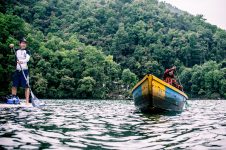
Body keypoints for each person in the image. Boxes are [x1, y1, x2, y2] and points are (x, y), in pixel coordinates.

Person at [9, 38, 31, 104]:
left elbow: (27, 59)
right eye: (22, 43)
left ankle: (27, 102)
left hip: (24, 70)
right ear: (19, 44)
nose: (23, 44)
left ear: (26, 44)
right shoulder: (16, 50)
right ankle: (14, 99)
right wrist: (11, 45)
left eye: (25, 43)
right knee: (14, 85)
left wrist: (22, 61)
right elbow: (10, 47)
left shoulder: (28, 51)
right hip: (17, 70)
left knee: (26, 86)